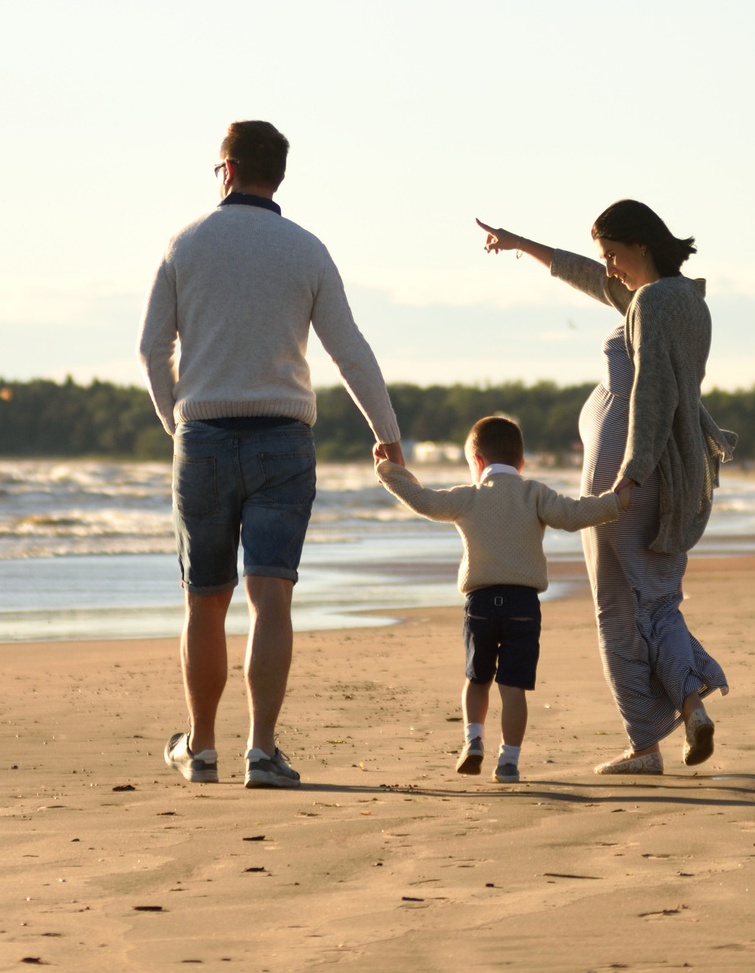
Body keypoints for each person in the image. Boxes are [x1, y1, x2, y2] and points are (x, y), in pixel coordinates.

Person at [140, 120, 403, 790]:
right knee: (270, 597)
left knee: (205, 599)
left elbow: (151, 348)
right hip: (283, 437)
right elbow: (349, 349)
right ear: (277, 174)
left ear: (225, 169)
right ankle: (261, 749)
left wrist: (178, 421)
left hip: (201, 433)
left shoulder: (185, 243)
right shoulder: (306, 250)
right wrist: (387, 430)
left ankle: (200, 748)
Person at [474, 202, 738, 775]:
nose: (610, 268)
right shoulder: (683, 299)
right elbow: (593, 282)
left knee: (618, 608)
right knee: (657, 602)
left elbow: (652, 391)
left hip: (627, 472)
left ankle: (645, 743)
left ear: (640, 244)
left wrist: (633, 469)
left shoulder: (651, 303)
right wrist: (524, 245)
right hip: (659, 469)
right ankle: (690, 707)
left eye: (614, 254)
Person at [374, 414, 625, 783]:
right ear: (521, 462)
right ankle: (508, 761)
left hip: (480, 602)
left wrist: (389, 471)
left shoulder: (469, 496)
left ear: (476, 462)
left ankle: (473, 740)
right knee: (513, 687)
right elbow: (573, 515)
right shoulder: (535, 493)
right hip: (523, 605)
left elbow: (423, 501)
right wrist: (615, 501)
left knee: (477, 679)